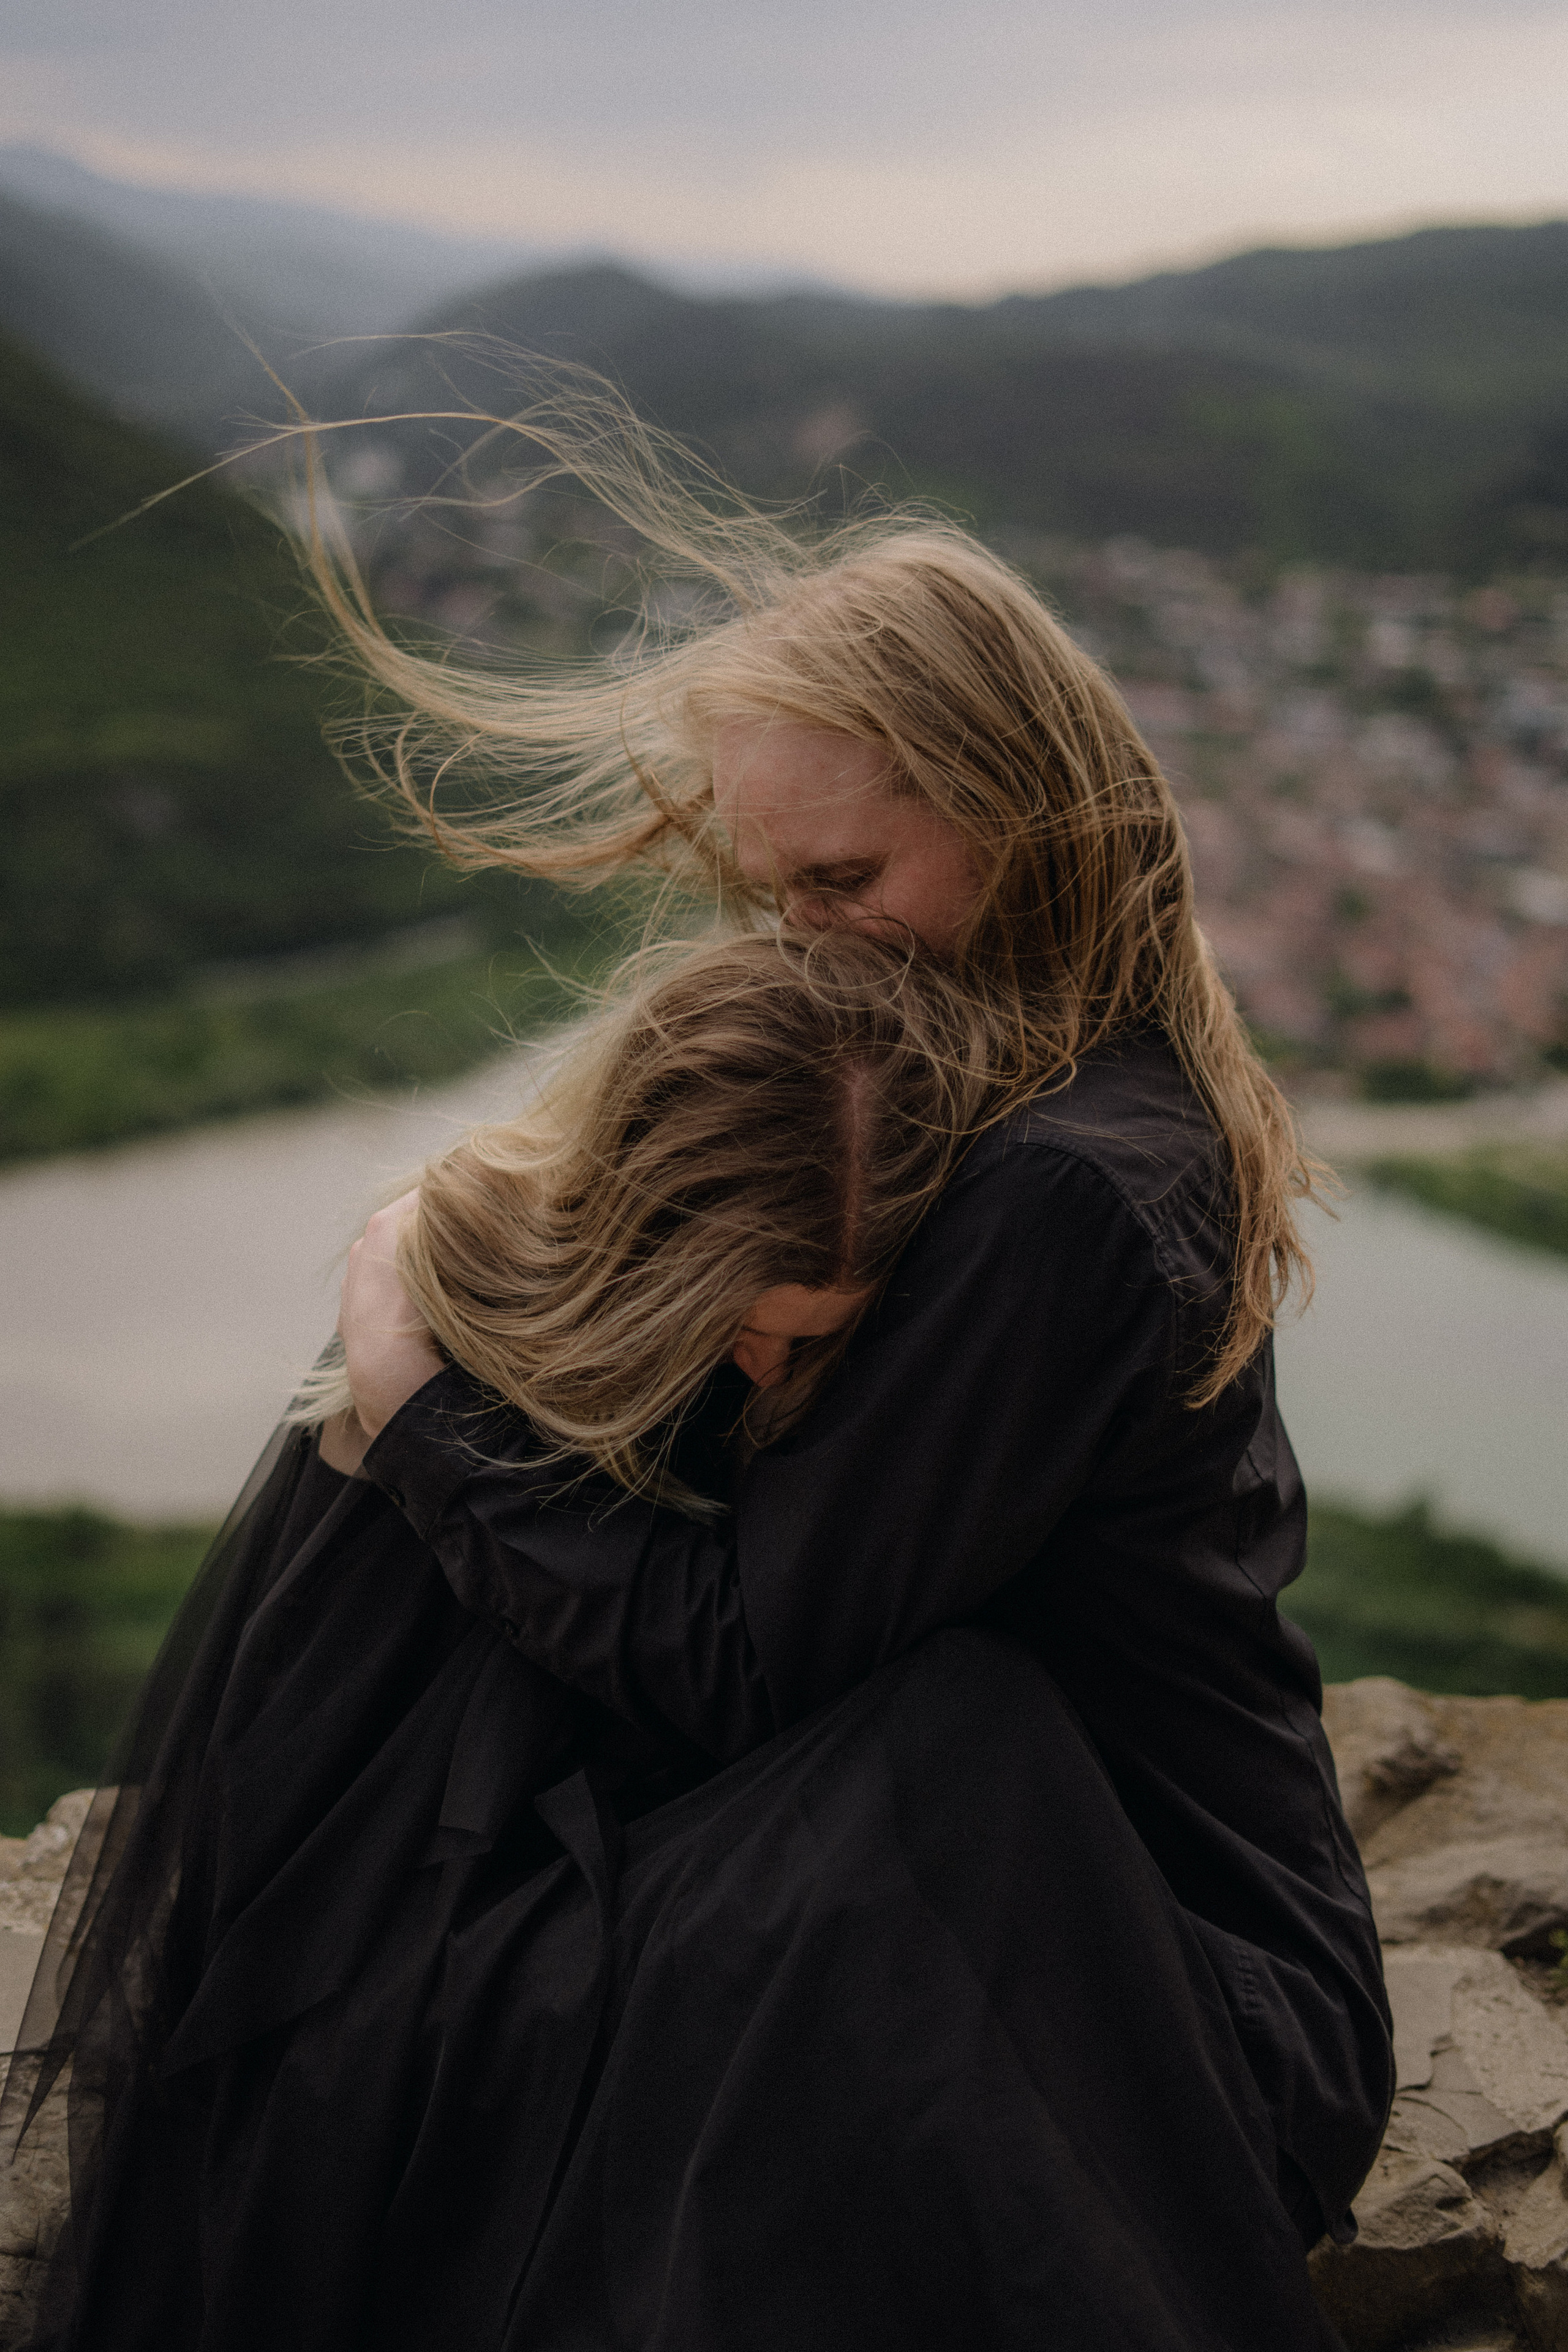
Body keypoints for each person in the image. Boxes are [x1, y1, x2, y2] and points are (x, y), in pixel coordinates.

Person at [8, 383, 1392, 2351]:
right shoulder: (1005, 1065)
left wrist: (419, 1417)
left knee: (478, 1982)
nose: (808, 946)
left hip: (1147, 1977)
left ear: (1033, 817)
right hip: (970, 1853)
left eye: (847, 884)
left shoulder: (1068, 1191)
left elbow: (749, 1664)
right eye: (769, 896)